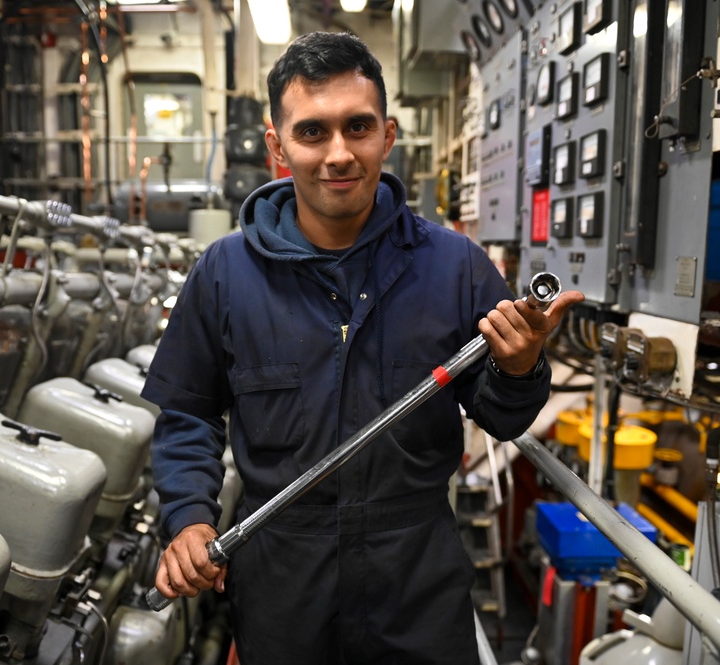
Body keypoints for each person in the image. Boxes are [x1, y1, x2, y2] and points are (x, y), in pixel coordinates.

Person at [142, 31, 584, 665]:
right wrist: (189, 517)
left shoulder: (455, 267)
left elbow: (503, 416)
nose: (339, 154)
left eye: (358, 127)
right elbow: (187, 414)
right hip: (281, 584)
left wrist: (519, 365)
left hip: (416, 583)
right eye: (313, 132)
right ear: (277, 146)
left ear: (389, 135)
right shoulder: (224, 273)